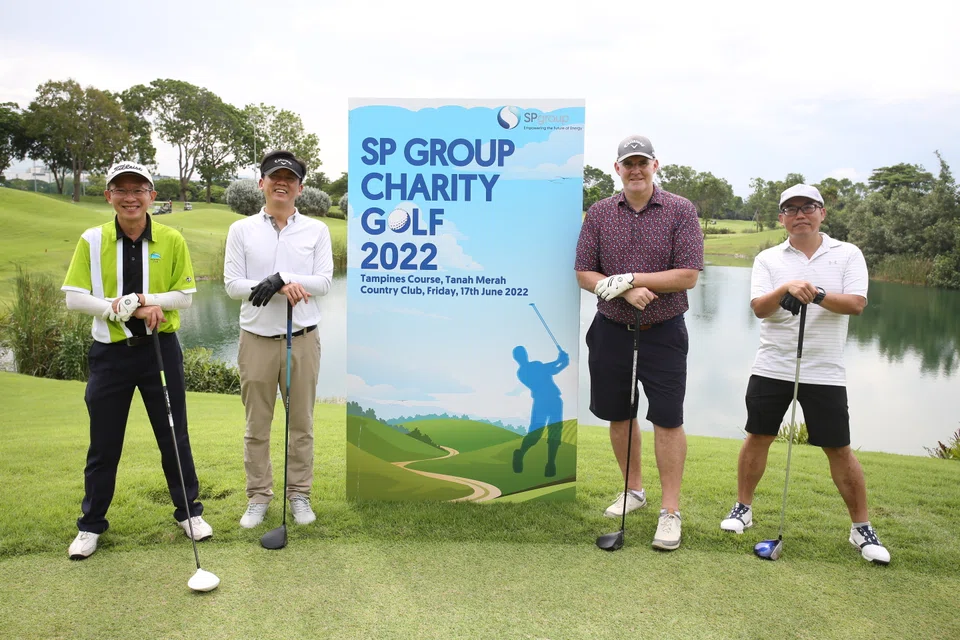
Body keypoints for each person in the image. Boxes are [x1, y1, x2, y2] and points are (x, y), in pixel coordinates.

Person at [719, 184, 890, 564]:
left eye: (808, 207)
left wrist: (813, 293)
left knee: (838, 448)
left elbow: (857, 304)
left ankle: (861, 528)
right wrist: (786, 287)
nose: (800, 214)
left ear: (822, 213)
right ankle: (742, 509)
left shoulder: (847, 254)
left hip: (825, 370)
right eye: (791, 209)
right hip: (772, 365)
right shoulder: (768, 259)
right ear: (781, 218)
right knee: (757, 436)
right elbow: (760, 309)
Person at [62, 161, 211, 560]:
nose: (130, 197)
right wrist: (123, 311)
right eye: (121, 190)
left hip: (159, 353)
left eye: (138, 189)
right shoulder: (91, 240)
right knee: (104, 443)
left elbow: (184, 296)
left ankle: (189, 513)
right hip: (110, 356)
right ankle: (90, 525)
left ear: (151, 196)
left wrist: (144, 301)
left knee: (173, 435)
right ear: (109, 195)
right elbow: (74, 297)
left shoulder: (171, 238)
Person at [575, 135, 703, 550]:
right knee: (619, 413)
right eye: (627, 163)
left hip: (663, 332)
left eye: (641, 163)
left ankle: (670, 511)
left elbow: (687, 275)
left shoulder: (680, 210)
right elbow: (584, 273)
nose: (635, 170)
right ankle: (633, 490)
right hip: (611, 330)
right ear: (617, 169)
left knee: (667, 418)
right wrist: (620, 291)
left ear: (655, 165)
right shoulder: (598, 213)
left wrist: (632, 279)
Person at [224, 150, 333, 528]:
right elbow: (233, 285)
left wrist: (283, 276)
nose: (281, 183)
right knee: (257, 426)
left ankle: (299, 495)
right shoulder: (241, 230)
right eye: (274, 177)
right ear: (262, 183)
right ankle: (258, 497)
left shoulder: (317, 230)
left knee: (301, 423)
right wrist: (270, 285)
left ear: (300, 188)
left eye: (289, 178)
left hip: (302, 338)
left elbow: (324, 281)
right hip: (255, 339)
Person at [511, 345, 570, 477]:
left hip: (554, 401)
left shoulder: (533, 366)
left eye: (524, 352)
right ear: (517, 358)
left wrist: (563, 362)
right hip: (541, 402)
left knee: (555, 432)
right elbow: (550, 369)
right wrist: (561, 359)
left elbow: (554, 369)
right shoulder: (523, 371)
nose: (524, 355)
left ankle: (550, 464)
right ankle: (520, 453)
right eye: (521, 354)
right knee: (536, 434)